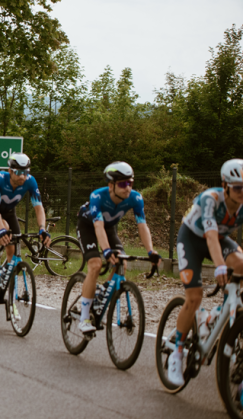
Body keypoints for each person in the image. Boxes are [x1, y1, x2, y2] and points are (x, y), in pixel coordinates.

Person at [166, 159, 243, 386]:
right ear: (225, 185)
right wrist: (219, 265)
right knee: (195, 297)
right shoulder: (211, 198)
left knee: (241, 263)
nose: (242, 193)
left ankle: (216, 314)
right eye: (238, 187)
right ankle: (176, 353)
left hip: (219, 239)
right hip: (192, 239)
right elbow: (210, 235)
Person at [75, 161, 161, 333]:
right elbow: (97, 227)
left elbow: (142, 226)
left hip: (109, 228)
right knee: (95, 264)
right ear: (111, 185)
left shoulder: (136, 198)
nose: (127, 188)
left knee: (122, 263)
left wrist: (151, 251)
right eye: (123, 184)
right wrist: (106, 251)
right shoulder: (97, 196)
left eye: (130, 183)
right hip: (88, 226)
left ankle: (101, 294)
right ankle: (84, 317)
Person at [0, 153, 50, 287]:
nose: (22, 176)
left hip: (10, 212)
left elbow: (39, 208)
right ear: (10, 171)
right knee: (3, 227)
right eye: (18, 172)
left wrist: (42, 228)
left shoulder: (30, 181)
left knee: (13, 252)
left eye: (25, 172)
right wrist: (0, 230)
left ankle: (8, 291)